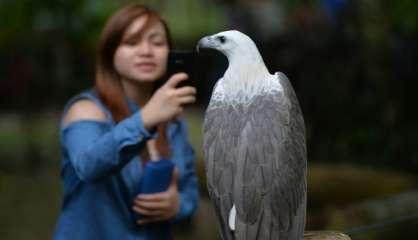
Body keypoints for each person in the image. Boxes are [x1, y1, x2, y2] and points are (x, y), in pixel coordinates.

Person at [53, 3, 199, 240]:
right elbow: (89, 166)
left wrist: (177, 205)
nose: (146, 51)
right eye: (132, 42)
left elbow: (190, 191)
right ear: (110, 53)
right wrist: (145, 120)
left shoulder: (172, 120)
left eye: (157, 42)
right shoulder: (85, 110)